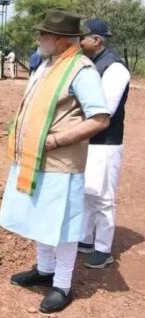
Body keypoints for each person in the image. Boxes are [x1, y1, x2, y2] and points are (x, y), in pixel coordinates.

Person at [0, 10, 110, 313]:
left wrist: (56, 141)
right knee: (40, 218)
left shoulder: (80, 70)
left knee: (62, 225)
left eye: (43, 34)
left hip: (61, 163)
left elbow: (100, 118)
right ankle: (45, 270)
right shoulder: (49, 65)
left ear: (59, 40)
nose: (39, 38)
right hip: (35, 160)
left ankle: (62, 284)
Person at [78, 19, 130, 268]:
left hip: (106, 142)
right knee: (88, 192)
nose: (79, 42)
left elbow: (104, 110)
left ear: (96, 40)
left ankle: (103, 248)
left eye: (83, 38)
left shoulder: (115, 68)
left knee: (104, 197)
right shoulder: (94, 64)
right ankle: (86, 240)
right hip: (90, 139)